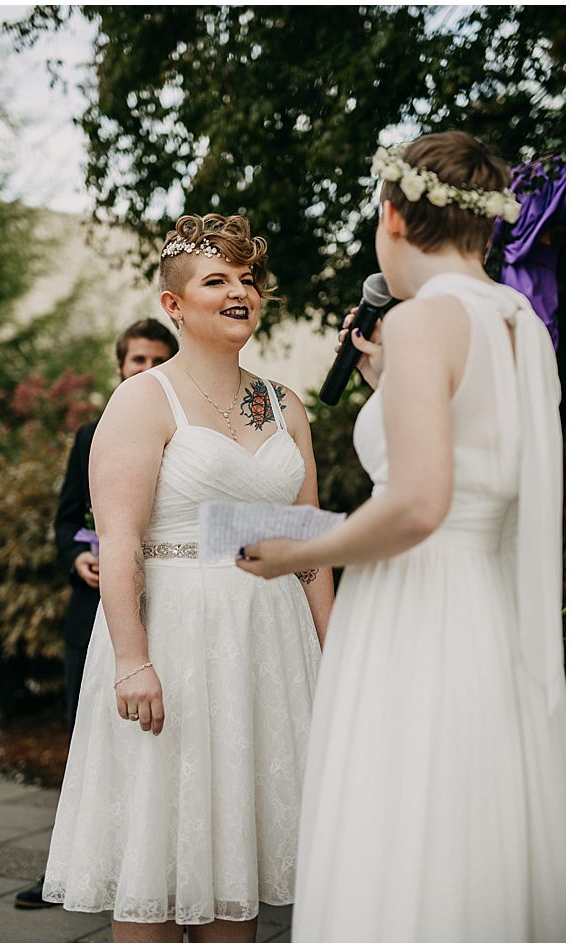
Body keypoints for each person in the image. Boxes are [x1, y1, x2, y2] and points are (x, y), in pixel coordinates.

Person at [237, 131, 564, 942]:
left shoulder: (426, 322)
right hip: (488, 605)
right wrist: (387, 384)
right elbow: (486, 455)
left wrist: (297, 552)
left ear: (391, 214)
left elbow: (419, 505)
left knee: (401, 807)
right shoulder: (520, 319)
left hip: (417, 602)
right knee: (464, 807)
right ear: (483, 227)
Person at [42, 213, 334, 942]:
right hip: (174, 639)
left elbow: (309, 544)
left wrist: (334, 665)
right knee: (156, 870)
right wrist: (133, 659)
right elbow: (120, 541)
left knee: (237, 874)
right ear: (174, 305)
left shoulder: (284, 403)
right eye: (218, 280)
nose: (240, 292)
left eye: (249, 280)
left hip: (270, 647)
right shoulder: (144, 400)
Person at [16, 318, 175, 911]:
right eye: (137, 360)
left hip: (166, 599)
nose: (146, 369)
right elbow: (64, 519)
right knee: (85, 734)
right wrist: (77, 558)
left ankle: (151, 864)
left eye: (158, 359)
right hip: (92, 609)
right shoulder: (90, 434)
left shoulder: (184, 430)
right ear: (120, 366)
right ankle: (72, 864)